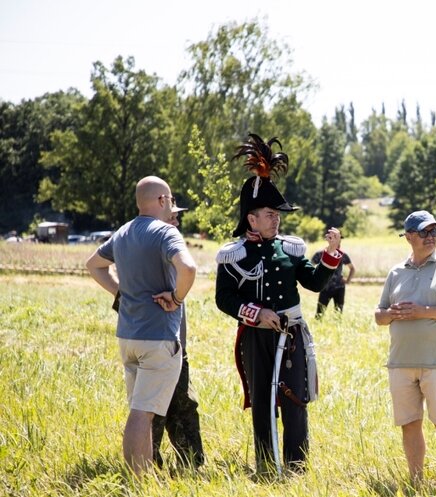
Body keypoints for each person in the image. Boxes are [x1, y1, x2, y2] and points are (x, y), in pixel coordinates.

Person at [215, 133, 343, 475]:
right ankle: (267, 467)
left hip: (293, 334)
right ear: (251, 218)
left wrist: (330, 256)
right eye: (270, 214)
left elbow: (315, 282)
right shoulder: (233, 254)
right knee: (263, 403)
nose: (277, 219)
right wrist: (257, 314)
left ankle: (297, 467)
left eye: (277, 214)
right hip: (258, 336)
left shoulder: (290, 249)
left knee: (296, 399)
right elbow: (223, 299)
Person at [86, 176, 197, 476]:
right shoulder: (164, 233)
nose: (172, 206)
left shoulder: (122, 233)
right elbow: (188, 268)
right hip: (158, 338)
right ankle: (136, 481)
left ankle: (144, 479)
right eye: (171, 200)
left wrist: (121, 292)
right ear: (162, 200)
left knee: (141, 413)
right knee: (141, 414)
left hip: (128, 337)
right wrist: (176, 297)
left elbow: (93, 265)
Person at [374, 210, 436, 489]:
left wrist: (422, 312)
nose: (431, 237)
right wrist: (391, 313)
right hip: (400, 363)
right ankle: (415, 483)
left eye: (434, 231)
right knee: (410, 424)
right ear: (408, 237)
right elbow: (379, 316)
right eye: (424, 232)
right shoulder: (396, 272)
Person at [150, 202, 205, 468]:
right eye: (172, 217)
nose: (177, 222)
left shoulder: (172, 248)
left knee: (183, 404)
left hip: (176, 344)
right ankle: (147, 464)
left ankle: (191, 463)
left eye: (177, 218)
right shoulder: (151, 247)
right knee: (156, 409)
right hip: (160, 342)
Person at [311, 240, 355, 317]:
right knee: (319, 314)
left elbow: (352, 268)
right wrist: (316, 279)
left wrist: (347, 280)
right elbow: (310, 267)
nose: (337, 247)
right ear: (330, 244)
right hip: (325, 287)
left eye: (338, 245)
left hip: (339, 288)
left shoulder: (342, 255)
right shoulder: (320, 254)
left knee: (338, 314)